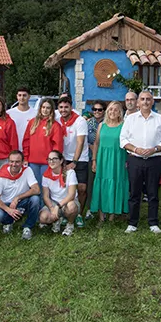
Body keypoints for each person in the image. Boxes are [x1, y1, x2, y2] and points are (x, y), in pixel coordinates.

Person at [120, 91, 161, 234]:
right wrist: (135, 149)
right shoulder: (131, 119)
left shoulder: (160, 119)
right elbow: (123, 140)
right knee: (134, 193)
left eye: (148, 99)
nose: (145, 102)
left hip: (154, 160)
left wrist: (154, 149)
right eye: (142, 99)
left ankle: (153, 222)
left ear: (152, 102)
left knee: (153, 193)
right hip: (135, 160)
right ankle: (132, 223)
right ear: (138, 103)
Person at [90, 101, 128, 222]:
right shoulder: (102, 125)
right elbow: (96, 143)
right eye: (111, 109)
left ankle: (112, 215)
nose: (113, 112)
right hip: (102, 159)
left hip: (117, 160)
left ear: (120, 112)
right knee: (102, 184)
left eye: (116, 110)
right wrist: (94, 160)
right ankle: (101, 216)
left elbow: (127, 144)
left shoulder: (124, 126)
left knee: (115, 183)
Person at [0, 150, 41, 240]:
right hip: (6, 204)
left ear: (22, 162)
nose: (14, 164)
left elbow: (36, 189)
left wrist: (17, 198)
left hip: (22, 201)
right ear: (8, 161)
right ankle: (8, 222)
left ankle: (28, 227)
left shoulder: (27, 170)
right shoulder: (0, 176)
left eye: (17, 162)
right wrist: (9, 210)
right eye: (11, 161)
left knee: (35, 199)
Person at [57, 96, 90, 227]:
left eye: (66, 107)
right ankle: (67, 213)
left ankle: (79, 214)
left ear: (71, 107)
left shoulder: (80, 121)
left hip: (80, 158)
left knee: (81, 188)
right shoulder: (57, 119)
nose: (63, 110)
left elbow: (80, 142)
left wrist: (74, 162)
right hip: (64, 158)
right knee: (65, 188)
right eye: (61, 107)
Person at [39, 150, 80, 236]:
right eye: (49, 159)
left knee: (71, 207)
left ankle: (70, 224)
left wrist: (58, 206)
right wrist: (52, 209)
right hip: (54, 202)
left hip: (68, 201)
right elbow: (46, 196)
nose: (51, 161)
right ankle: (57, 220)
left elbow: (71, 195)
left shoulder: (70, 173)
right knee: (43, 218)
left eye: (54, 159)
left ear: (61, 161)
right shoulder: (46, 175)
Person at [22, 98, 63, 184]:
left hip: (47, 163)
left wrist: (54, 161)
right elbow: (26, 142)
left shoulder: (55, 125)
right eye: (43, 107)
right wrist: (25, 157)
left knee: (45, 187)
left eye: (48, 108)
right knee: (34, 186)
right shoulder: (32, 122)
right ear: (40, 108)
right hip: (32, 162)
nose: (45, 110)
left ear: (51, 110)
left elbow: (57, 145)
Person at [7, 86, 37, 151]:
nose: (22, 98)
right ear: (17, 96)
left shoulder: (36, 114)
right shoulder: (9, 113)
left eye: (24, 95)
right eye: (19, 95)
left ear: (29, 97)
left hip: (29, 149)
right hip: (13, 150)